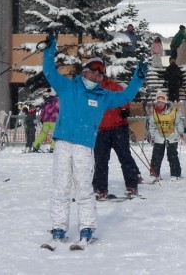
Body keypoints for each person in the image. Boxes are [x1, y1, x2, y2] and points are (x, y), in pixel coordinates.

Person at [41, 33, 146, 246]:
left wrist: (138, 78)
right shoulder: (68, 86)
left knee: (83, 187)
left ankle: (86, 228)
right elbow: (49, 71)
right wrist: (49, 49)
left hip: (84, 146)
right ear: (84, 71)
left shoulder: (104, 96)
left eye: (100, 74)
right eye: (92, 71)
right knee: (61, 186)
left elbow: (126, 97)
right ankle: (59, 228)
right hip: (62, 143)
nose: (96, 76)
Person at [93, 77, 142, 199]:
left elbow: (124, 97)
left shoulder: (113, 86)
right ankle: (100, 188)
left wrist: (125, 109)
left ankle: (132, 185)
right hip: (100, 130)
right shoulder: (91, 89)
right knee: (100, 161)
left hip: (118, 127)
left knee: (125, 157)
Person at [147, 90, 184, 182]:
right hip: (159, 137)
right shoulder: (154, 113)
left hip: (172, 136)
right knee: (156, 156)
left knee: (172, 155)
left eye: (162, 102)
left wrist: (181, 131)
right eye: (158, 102)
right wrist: (152, 136)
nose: (160, 104)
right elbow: (152, 126)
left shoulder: (173, 112)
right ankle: (155, 174)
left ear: (165, 102)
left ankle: (175, 174)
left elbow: (178, 123)